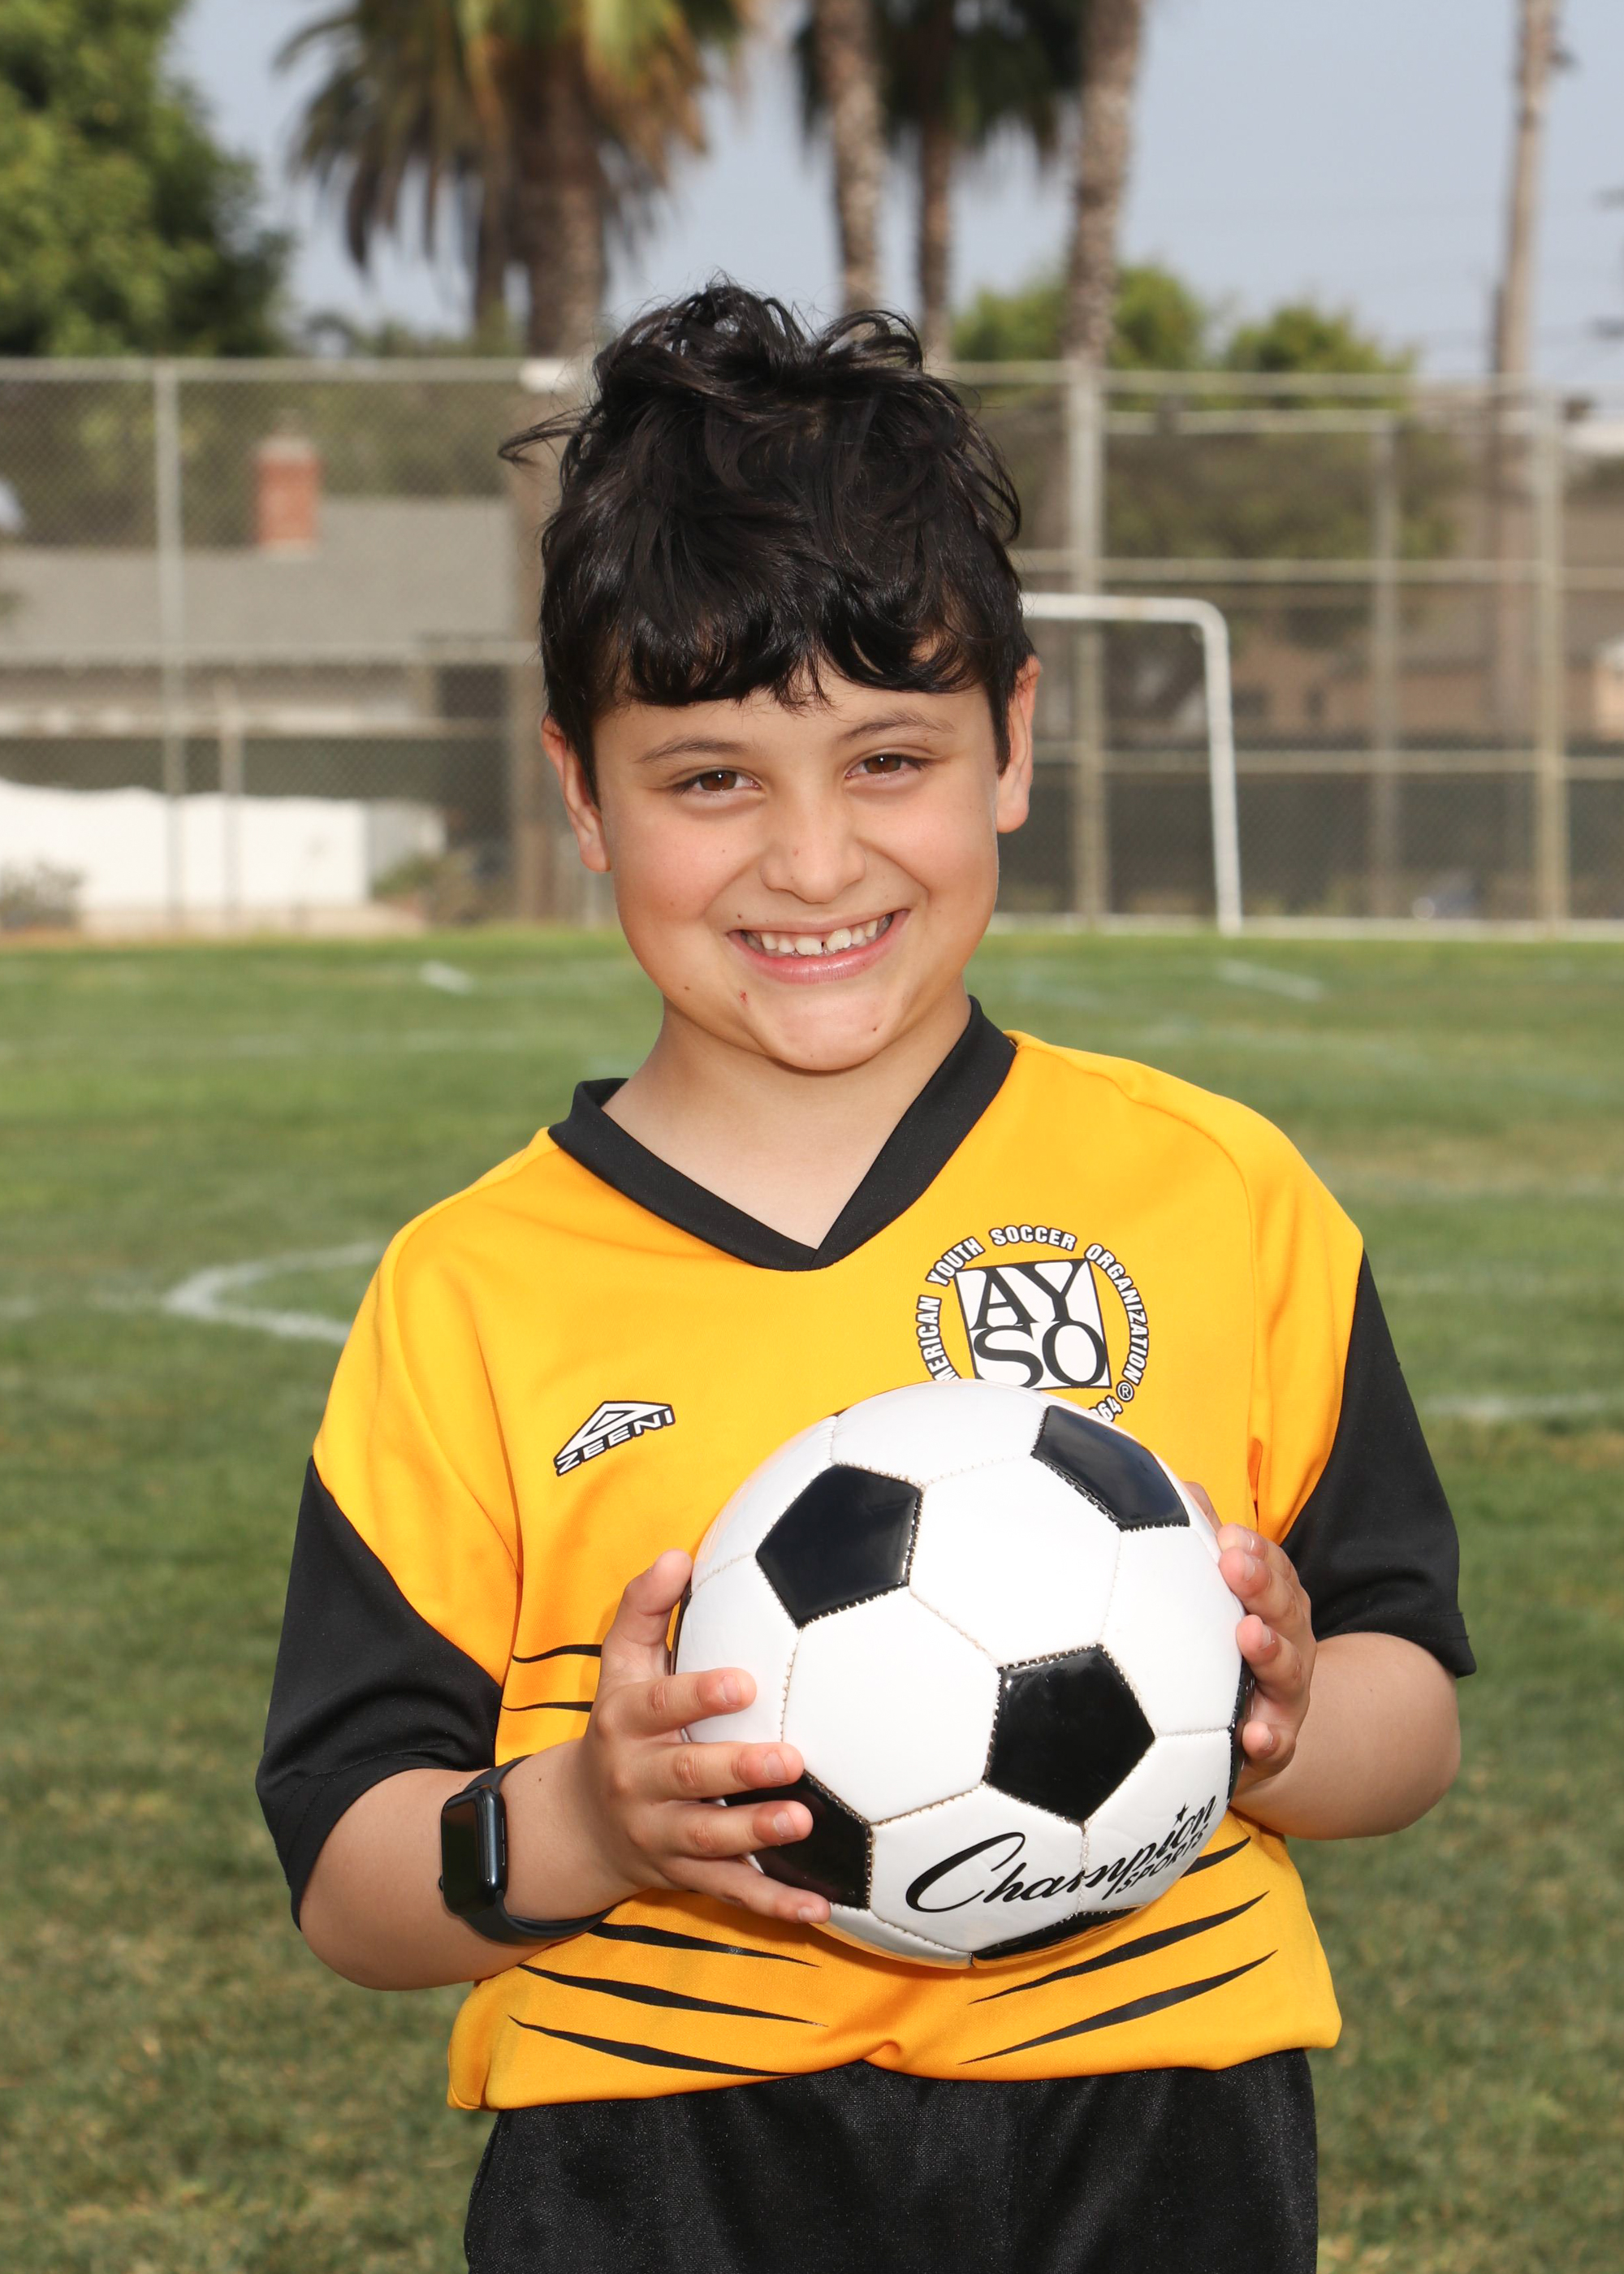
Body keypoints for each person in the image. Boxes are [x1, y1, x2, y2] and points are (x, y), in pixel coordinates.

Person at [256, 284, 1472, 2274]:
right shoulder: (470, 1293)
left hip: (1156, 2119)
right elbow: (349, 1872)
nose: (812, 863)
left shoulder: (1217, 1195)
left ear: (1014, 741)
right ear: (580, 793)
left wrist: (1290, 1714)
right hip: (655, 2148)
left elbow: (1409, 1706)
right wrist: (587, 1822)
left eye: (887, 756)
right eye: (710, 778)